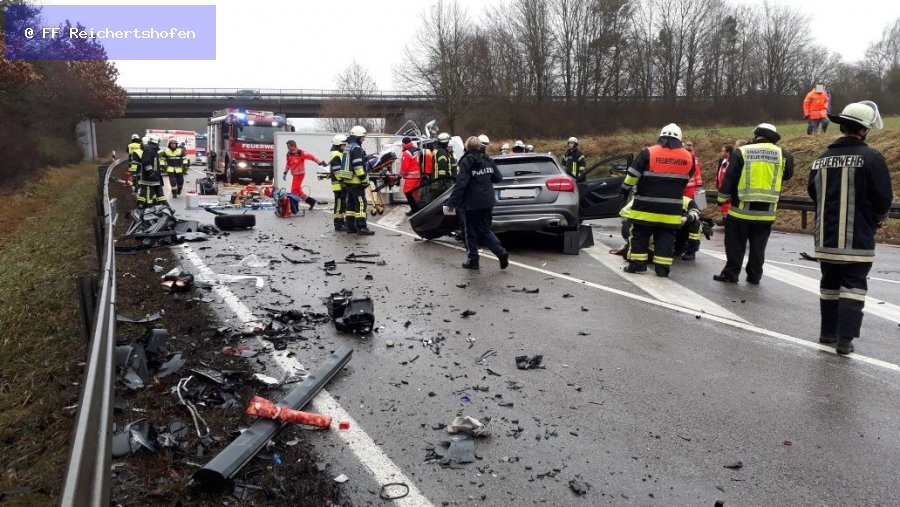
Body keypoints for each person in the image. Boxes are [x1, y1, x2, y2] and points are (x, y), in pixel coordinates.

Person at [808, 101, 892, 354]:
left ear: (842, 126)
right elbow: (883, 199)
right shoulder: (872, 158)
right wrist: (876, 220)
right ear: (864, 130)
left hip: (826, 237)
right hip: (858, 237)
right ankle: (845, 340)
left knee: (829, 285)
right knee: (853, 287)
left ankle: (827, 333)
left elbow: (813, 192)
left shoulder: (822, 158)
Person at [714, 123, 794, 284]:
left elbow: (730, 178)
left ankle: (731, 274)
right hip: (766, 212)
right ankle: (754, 276)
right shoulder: (784, 155)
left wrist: (721, 199)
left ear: (757, 135)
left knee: (735, 245)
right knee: (758, 247)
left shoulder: (742, 152)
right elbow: (787, 176)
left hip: (740, 211)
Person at [619, 123, 695, 277]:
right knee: (666, 237)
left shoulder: (648, 152)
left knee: (639, 235)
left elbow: (632, 175)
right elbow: (687, 178)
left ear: (661, 136)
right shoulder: (689, 157)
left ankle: (637, 265)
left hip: (644, 207)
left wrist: (624, 189)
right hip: (671, 210)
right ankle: (662, 268)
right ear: (680, 139)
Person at [446, 136, 509, 270]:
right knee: (485, 229)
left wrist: (452, 202)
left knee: (470, 232)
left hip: (471, 203)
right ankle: (501, 252)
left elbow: (461, 184)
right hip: (487, 201)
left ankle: (473, 260)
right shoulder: (488, 160)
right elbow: (498, 178)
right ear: (480, 146)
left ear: (467, 147)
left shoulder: (465, 162)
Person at [343, 125, 374, 235]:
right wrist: (363, 179)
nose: (363, 139)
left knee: (350, 205)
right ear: (357, 137)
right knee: (361, 204)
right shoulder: (356, 147)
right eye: (362, 137)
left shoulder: (348, 146)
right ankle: (362, 227)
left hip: (348, 181)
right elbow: (357, 165)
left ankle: (350, 227)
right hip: (356, 182)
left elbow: (350, 162)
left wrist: (364, 157)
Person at [283, 139, 323, 210]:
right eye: (287, 147)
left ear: (293, 146)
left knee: (294, 190)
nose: (288, 148)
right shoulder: (288, 154)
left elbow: (310, 156)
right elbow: (288, 164)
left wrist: (319, 162)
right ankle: (311, 201)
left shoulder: (300, 152)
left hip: (300, 174)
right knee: (298, 190)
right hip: (295, 174)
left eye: (289, 147)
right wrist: (285, 172)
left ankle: (293, 207)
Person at [136, 135, 168, 208]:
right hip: (149, 178)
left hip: (155, 178)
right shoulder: (149, 150)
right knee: (148, 195)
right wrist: (151, 172)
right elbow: (146, 162)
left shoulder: (153, 151)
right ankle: (148, 209)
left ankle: (165, 207)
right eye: (159, 142)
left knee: (160, 194)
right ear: (156, 142)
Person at [328, 134, 349, 231]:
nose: (345, 146)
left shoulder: (339, 153)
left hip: (340, 184)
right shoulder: (336, 154)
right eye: (343, 145)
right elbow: (336, 170)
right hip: (338, 184)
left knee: (342, 204)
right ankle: (338, 224)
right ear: (338, 145)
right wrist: (342, 182)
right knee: (339, 204)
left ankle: (341, 221)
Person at [400, 136, 422, 205]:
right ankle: (416, 208)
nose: (401, 145)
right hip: (418, 176)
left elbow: (405, 167)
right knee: (415, 193)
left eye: (402, 144)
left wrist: (400, 175)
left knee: (407, 192)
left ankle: (413, 208)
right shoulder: (417, 150)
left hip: (410, 177)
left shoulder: (407, 153)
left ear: (404, 144)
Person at [714, 144, 734, 219]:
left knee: (729, 206)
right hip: (721, 187)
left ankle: (728, 220)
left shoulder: (733, 162)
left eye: (723, 151)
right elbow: (718, 172)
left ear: (728, 152)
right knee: (723, 206)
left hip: (729, 189)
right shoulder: (721, 161)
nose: (721, 153)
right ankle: (725, 219)